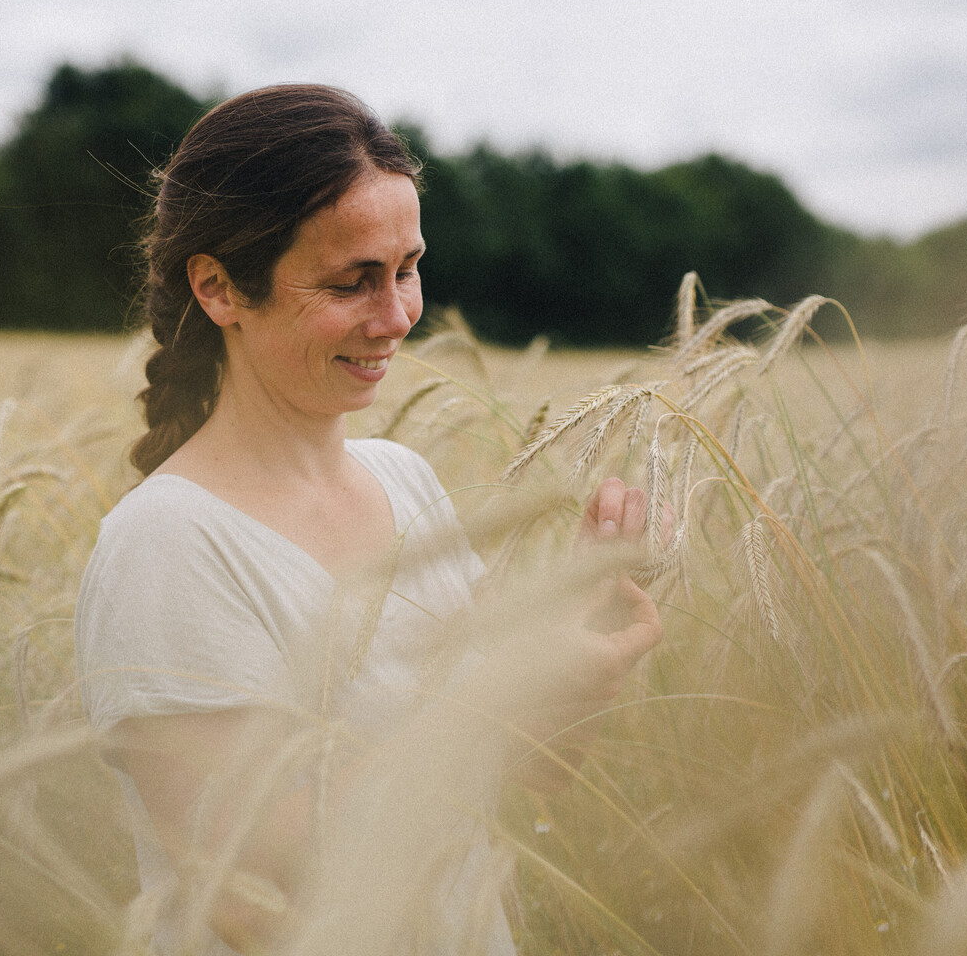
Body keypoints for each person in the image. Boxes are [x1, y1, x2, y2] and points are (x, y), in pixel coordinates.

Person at [74, 84, 662, 955]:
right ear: (220, 288)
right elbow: (255, 897)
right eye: (353, 282)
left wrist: (577, 646)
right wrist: (503, 688)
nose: (397, 318)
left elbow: (531, 771)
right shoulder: (166, 547)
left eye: (408, 269)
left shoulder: (408, 482)